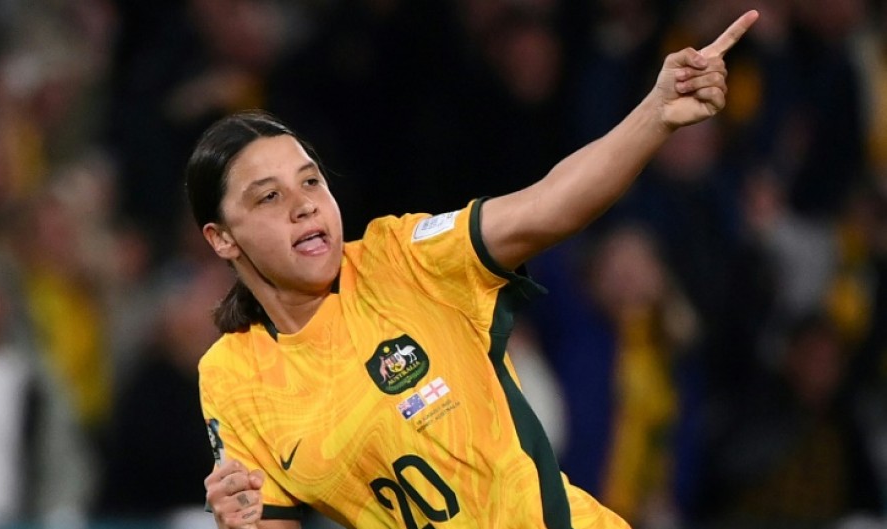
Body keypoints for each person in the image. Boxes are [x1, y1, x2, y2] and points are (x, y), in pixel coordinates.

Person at [187, 10, 759, 529]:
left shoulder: (403, 256)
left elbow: (548, 205)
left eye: (311, 180)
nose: (305, 202)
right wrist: (241, 524)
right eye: (268, 197)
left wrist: (656, 113)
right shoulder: (232, 377)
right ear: (221, 239)